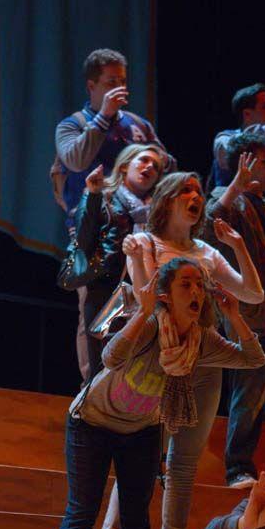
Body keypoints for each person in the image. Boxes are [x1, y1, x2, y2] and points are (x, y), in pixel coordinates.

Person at [48, 258, 265, 529]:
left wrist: (234, 315)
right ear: (166, 295)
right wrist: (143, 312)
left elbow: (253, 358)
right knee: (82, 512)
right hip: (93, 423)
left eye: (199, 285)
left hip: (141, 430)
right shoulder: (150, 326)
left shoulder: (201, 340)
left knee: (136, 522)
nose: (195, 291)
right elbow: (109, 357)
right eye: (186, 284)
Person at [91, 170, 265, 529]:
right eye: (185, 189)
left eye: (198, 190)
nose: (195, 196)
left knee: (184, 462)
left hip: (202, 358)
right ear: (167, 199)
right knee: (142, 455)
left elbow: (253, 294)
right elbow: (145, 296)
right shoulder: (145, 243)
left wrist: (238, 246)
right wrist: (140, 255)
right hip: (160, 361)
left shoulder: (207, 252)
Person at [54, 48, 173, 382]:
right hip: (94, 229)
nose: (118, 87)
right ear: (92, 86)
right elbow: (75, 161)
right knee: (95, 309)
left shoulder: (139, 125)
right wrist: (103, 117)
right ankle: (92, 386)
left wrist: (150, 162)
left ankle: (132, 386)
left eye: (122, 81)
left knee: (143, 305)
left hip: (141, 229)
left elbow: (167, 164)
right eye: (110, 82)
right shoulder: (73, 125)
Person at [206, 132, 265, 488]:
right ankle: (238, 467)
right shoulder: (227, 198)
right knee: (250, 395)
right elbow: (207, 230)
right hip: (252, 319)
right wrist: (235, 186)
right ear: (243, 163)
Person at [72, 143, 166, 379]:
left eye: (155, 166)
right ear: (125, 166)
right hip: (104, 287)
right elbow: (84, 241)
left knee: (131, 364)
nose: (149, 167)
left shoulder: (155, 210)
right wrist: (92, 194)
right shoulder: (103, 197)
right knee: (99, 365)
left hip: (140, 291)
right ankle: (86, 411)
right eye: (143, 160)